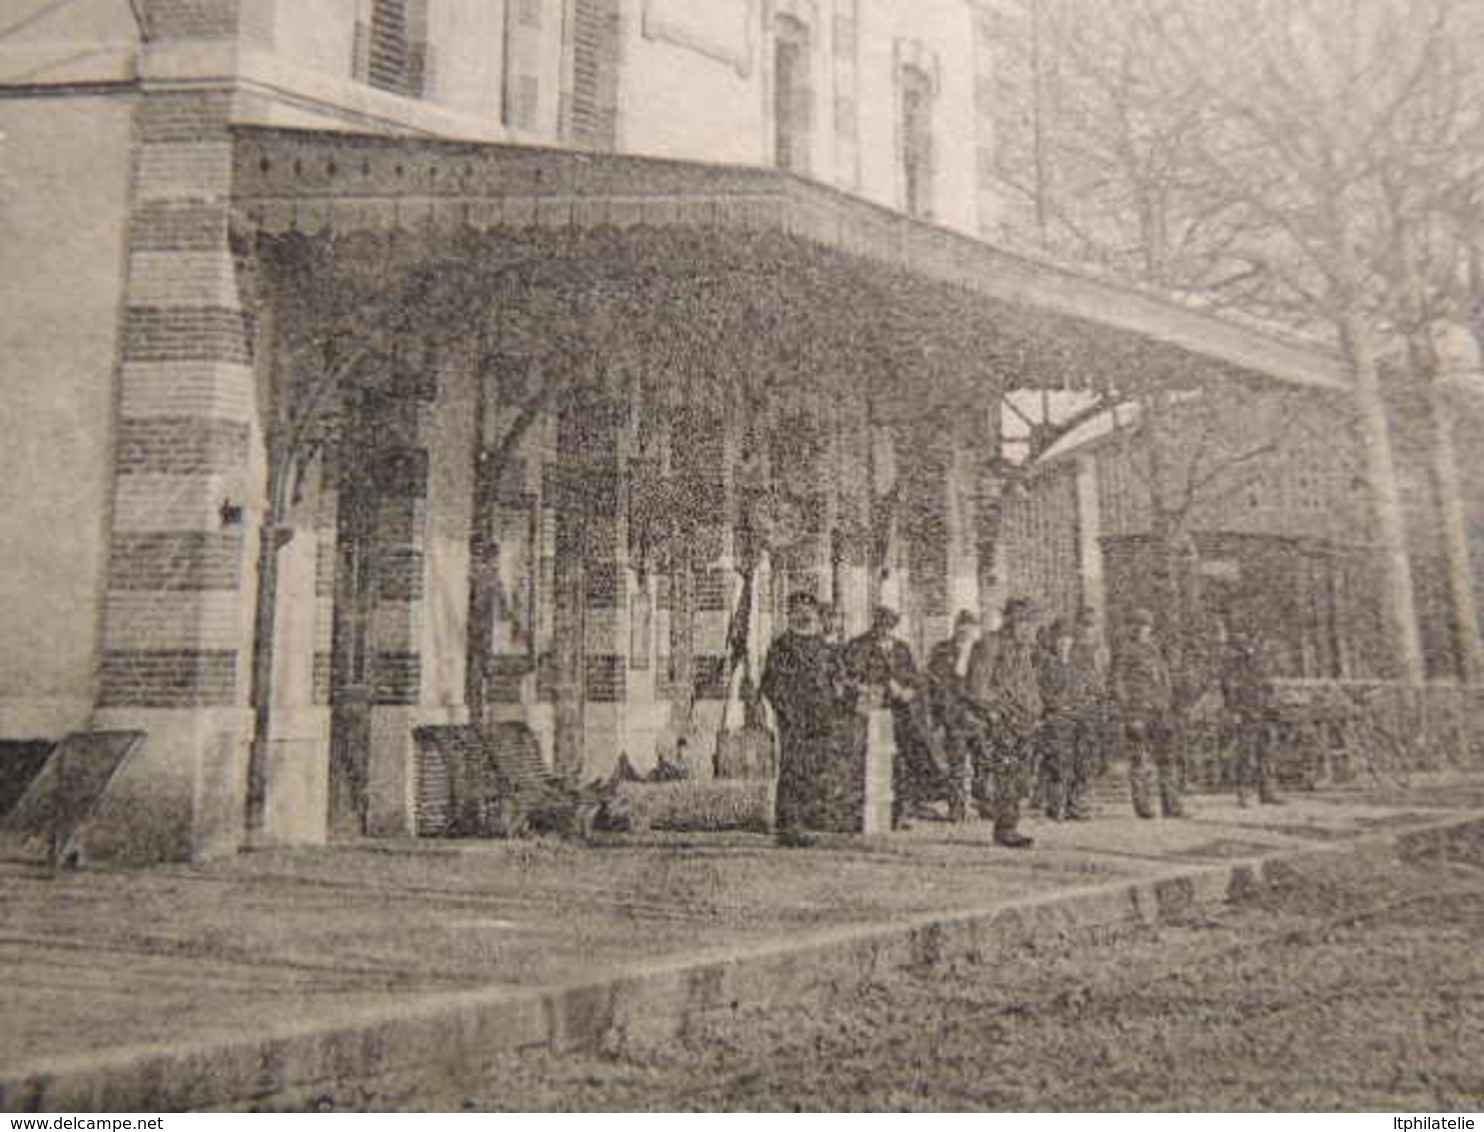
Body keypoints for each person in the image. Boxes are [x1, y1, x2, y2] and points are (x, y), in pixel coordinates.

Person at [842, 605, 945, 829]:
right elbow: (851, 678)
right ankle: (861, 814)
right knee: (868, 761)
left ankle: (899, 813)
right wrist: (883, 686)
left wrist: (910, 690)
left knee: (902, 762)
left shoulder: (902, 649)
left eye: (889, 626)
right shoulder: (858, 646)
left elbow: (917, 678)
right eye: (881, 625)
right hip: (871, 713)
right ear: (875, 625)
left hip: (901, 714)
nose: (885, 631)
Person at [760, 592, 844, 846]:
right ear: (791, 614)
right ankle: (789, 825)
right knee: (793, 769)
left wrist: (837, 691)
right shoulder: (782, 645)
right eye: (799, 610)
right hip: (795, 718)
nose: (805, 614)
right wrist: (786, 711)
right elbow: (772, 682)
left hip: (821, 716)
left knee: (813, 768)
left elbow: (835, 674)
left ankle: (806, 821)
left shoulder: (821, 644)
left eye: (809, 610)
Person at [967, 597, 1041, 848]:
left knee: (1021, 777)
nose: (1027, 628)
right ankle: (1005, 829)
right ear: (1009, 620)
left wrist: (1035, 710)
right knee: (1006, 775)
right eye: (1022, 621)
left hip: (1024, 721)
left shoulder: (1023, 649)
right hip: (1000, 720)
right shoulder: (990, 645)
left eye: (1030, 622)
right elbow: (977, 688)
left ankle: (1010, 824)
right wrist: (996, 712)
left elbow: (1029, 685)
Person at [1113, 607, 1183, 819]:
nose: (1142, 629)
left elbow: (1164, 679)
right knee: (1139, 759)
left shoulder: (1155, 650)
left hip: (1159, 710)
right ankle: (1143, 806)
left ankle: (1171, 806)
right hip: (1138, 711)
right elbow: (1117, 682)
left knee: (1167, 758)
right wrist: (1129, 713)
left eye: (1145, 625)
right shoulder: (1125, 651)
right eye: (1137, 625)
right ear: (1130, 628)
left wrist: (1167, 703)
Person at [1037, 618, 1097, 820]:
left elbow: (1093, 690)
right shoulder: (1045, 665)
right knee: (1058, 762)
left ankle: (1076, 805)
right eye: (1060, 640)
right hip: (1056, 718)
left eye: (1068, 640)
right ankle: (1056, 805)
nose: (1064, 644)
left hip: (1079, 718)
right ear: (1054, 642)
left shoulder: (1080, 666)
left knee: (1082, 761)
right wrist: (1056, 705)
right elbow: (1038, 692)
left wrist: (1084, 704)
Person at [1219, 624, 1284, 807]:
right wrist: (1234, 712)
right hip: (1246, 712)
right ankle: (1245, 792)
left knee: (1267, 752)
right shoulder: (1231, 662)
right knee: (1246, 754)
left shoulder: (1259, 660)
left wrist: (1272, 704)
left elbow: (1268, 684)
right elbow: (1228, 690)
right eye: (1240, 638)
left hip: (1264, 711)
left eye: (1246, 637)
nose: (1245, 642)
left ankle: (1268, 791)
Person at [927, 610, 981, 822]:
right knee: (956, 762)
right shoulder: (942, 650)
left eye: (969, 627)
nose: (965, 631)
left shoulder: (980, 651)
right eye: (961, 626)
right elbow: (934, 683)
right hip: (953, 715)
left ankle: (980, 804)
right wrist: (938, 714)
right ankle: (957, 807)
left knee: (982, 762)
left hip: (978, 715)